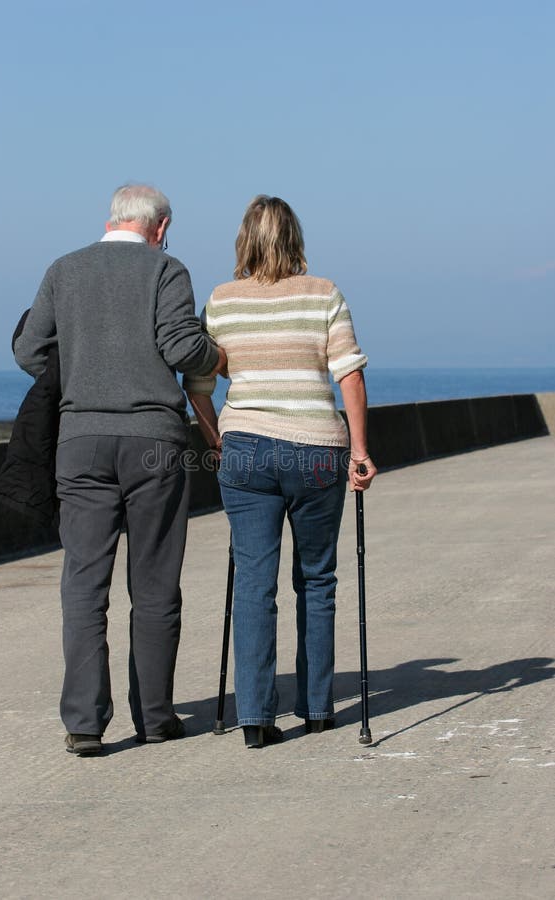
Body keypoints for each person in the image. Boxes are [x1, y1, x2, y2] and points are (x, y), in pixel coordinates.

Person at [14, 184, 226, 755]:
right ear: (158, 227)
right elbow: (182, 346)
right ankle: (155, 717)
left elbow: (30, 351)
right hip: (153, 443)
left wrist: (81, 373)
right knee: (154, 583)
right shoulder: (166, 270)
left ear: (112, 220)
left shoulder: (64, 270)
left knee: (84, 584)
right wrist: (219, 356)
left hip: (80, 443)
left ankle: (84, 723)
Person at [184, 195, 376, 748]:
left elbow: (196, 386)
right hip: (316, 449)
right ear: (295, 239)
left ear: (244, 240)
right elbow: (351, 377)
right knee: (317, 579)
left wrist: (217, 440)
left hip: (245, 449)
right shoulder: (323, 294)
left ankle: (256, 720)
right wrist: (359, 452)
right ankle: (317, 709)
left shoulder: (222, 301)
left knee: (253, 582)